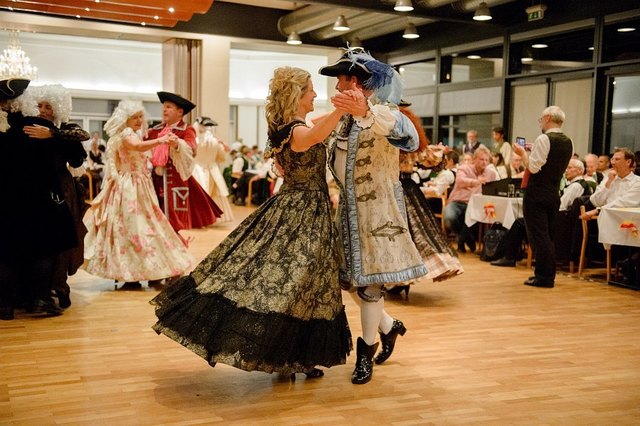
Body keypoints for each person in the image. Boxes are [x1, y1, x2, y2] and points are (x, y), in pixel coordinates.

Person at [151, 67, 352, 378]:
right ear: (297, 95)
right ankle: (285, 356)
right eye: (311, 90)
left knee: (304, 283)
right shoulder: (295, 130)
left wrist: (344, 109)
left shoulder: (290, 125)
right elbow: (313, 135)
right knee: (293, 281)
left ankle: (294, 357)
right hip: (301, 212)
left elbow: (317, 125)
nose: (315, 95)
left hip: (304, 208)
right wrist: (342, 108)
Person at [320, 47, 428, 385]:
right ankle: (388, 326)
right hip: (347, 215)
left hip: (378, 215)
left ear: (356, 82)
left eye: (341, 80)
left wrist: (367, 111)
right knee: (350, 283)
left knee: (369, 287)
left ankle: (365, 353)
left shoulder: (385, 114)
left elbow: (410, 138)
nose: (337, 87)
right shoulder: (343, 119)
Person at [83, 100, 194, 289]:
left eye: (140, 116)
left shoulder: (136, 133)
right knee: (134, 226)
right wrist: (160, 140)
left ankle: (150, 271)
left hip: (141, 185)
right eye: (134, 117)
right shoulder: (127, 134)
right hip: (130, 186)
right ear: (125, 119)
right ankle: (133, 273)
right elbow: (137, 146)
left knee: (145, 226)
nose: (139, 120)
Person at [0, 78, 76, 319]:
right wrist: (54, 134)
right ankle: (39, 299)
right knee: (42, 250)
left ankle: (6, 305)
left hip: (7, 199)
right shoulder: (36, 125)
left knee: (7, 251)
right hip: (38, 199)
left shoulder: (6, 126)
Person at [24, 84, 89, 309]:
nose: (43, 110)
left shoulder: (65, 129)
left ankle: (60, 285)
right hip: (34, 189)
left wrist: (53, 134)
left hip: (62, 190)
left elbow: (80, 144)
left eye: (48, 107)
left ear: (58, 108)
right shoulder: (28, 128)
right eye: (39, 106)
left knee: (63, 240)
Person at [397, 101, 463, 285]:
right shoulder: (409, 140)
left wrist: (438, 153)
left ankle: (399, 277)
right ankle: (400, 277)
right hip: (405, 188)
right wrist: (439, 152)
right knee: (412, 232)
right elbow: (430, 159)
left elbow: (429, 158)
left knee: (406, 232)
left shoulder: (397, 138)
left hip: (397, 187)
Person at [512, 105, 574, 288]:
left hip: (537, 193)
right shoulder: (569, 141)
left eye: (541, 119)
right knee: (548, 236)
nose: (540, 123)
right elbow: (554, 162)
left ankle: (544, 277)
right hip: (554, 193)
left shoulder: (544, 138)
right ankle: (547, 274)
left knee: (538, 236)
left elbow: (533, 168)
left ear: (547, 118)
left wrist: (522, 153)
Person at [147, 91, 222, 236]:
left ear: (180, 112)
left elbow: (192, 148)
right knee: (154, 216)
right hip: (154, 179)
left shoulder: (187, 129)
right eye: (163, 107)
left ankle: (174, 242)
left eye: (169, 107)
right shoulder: (155, 130)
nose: (164, 110)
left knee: (174, 219)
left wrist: (177, 144)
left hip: (176, 181)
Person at [491, 159, 590, 267]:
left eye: (570, 168)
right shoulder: (575, 184)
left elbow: (561, 205)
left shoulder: (576, 186)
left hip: (562, 223)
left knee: (520, 223)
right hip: (562, 220)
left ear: (580, 171)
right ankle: (513, 254)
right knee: (524, 222)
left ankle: (508, 256)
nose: (566, 170)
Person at [444, 145, 498, 253]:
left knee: (482, 215)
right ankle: (468, 239)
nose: (484, 162)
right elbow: (460, 181)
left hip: (476, 205)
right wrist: (476, 182)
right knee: (449, 218)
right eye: (481, 159)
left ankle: (461, 240)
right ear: (474, 159)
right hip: (457, 202)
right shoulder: (464, 168)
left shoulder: (491, 173)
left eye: (486, 160)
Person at [192, 117, 234, 223]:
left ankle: (199, 218)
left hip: (196, 169)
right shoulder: (215, 141)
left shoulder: (194, 141)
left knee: (198, 194)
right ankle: (211, 217)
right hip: (212, 170)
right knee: (213, 194)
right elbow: (221, 157)